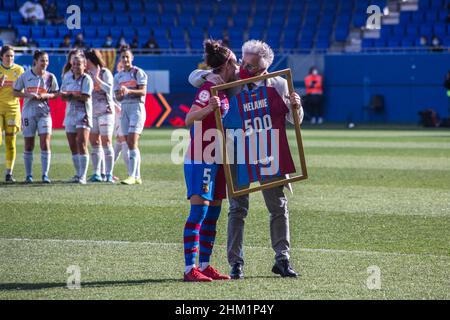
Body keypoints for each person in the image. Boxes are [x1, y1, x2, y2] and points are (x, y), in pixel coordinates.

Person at [188, 40, 303, 280]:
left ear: (265, 67)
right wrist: (210, 75)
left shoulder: (279, 83)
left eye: (252, 66)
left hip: (268, 150)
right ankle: (236, 263)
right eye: (243, 62)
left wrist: (296, 107)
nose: (245, 69)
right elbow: (194, 77)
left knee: (278, 206)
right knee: (237, 208)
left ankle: (282, 259)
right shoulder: (232, 81)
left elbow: (295, 120)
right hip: (238, 151)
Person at [182, 39, 238, 282]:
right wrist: (207, 109)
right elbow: (188, 119)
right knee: (198, 213)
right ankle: (189, 269)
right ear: (226, 64)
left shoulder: (221, 86)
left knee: (213, 214)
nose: (238, 67)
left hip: (215, 157)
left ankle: (205, 265)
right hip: (200, 156)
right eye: (235, 62)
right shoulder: (208, 89)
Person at [12, 50, 59, 183]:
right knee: (29, 144)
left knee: (45, 142)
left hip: (44, 113)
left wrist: (46, 96)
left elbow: (55, 93)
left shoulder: (50, 77)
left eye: (47, 60)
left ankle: (45, 175)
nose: (45, 63)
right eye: (42, 60)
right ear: (35, 61)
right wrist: (28, 95)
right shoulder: (25, 76)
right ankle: (29, 175)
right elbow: (15, 92)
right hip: (28, 113)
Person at [113, 46, 147, 185]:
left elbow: (143, 91)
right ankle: (137, 176)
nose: (125, 59)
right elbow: (118, 97)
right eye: (123, 57)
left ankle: (132, 175)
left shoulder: (138, 72)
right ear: (120, 59)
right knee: (129, 143)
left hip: (137, 108)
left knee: (132, 142)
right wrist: (120, 95)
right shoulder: (118, 76)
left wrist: (128, 91)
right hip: (124, 108)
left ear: (132, 58)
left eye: (127, 56)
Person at [60, 53, 94, 184]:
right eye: (74, 64)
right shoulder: (67, 77)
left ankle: (83, 176)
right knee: (72, 145)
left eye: (78, 64)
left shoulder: (87, 79)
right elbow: (62, 95)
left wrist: (70, 96)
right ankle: (78, 173)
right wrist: (69, 95)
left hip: (83, 114)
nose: (75, 66)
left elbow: (85, 96)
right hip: (70, 114)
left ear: (84, 65)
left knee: (82, 143)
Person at [84, 49, 115, 183]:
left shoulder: (104, 72)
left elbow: (109, 89)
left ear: (90, 60)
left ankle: (109, 173)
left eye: (84, 59)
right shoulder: (84, 75)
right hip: (91, 112)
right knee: (94, 143)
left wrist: (97, 79)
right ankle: (97, 173)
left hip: (106, 111)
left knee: (106, 142)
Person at [0, 45, 25, 182]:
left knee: (11, 142)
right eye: (7, 56)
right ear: (2, 57)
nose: (10, 58)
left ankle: (9, 173)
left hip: (13, 110)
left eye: (12, 56)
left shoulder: (19, 70)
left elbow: (22, 91)